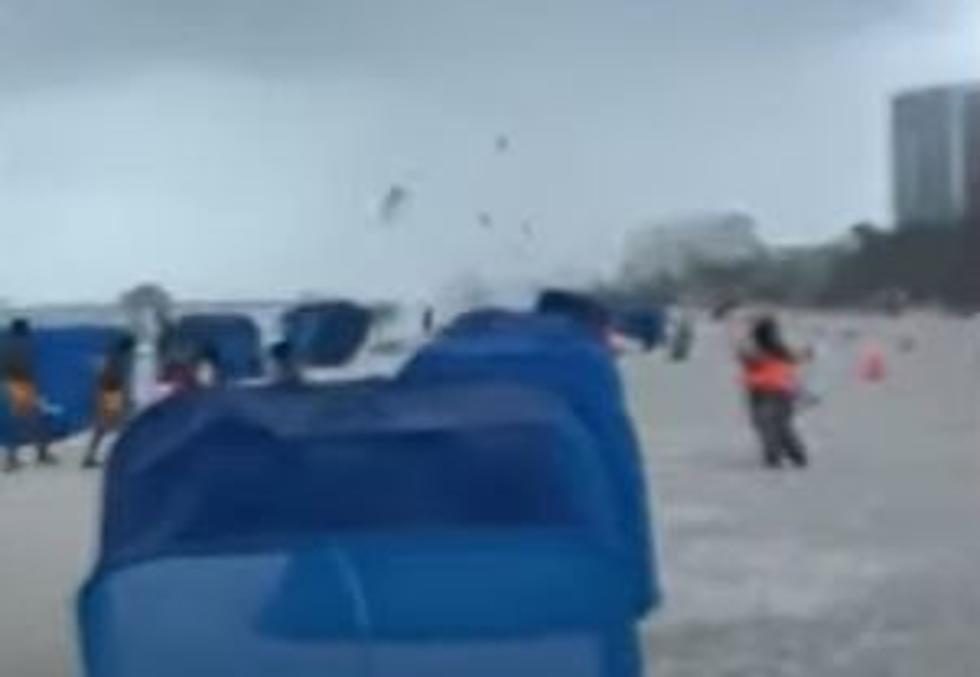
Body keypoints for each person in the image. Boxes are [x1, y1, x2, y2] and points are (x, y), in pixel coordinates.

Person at [737, 315, 808, 469]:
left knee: (770, 425)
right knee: (776, 425)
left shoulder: (767, 351)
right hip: (768, 392)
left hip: (771, 392)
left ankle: (779, 455)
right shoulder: (765, 350)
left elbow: (747, 358)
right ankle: (792, 454)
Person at [2, 319, 56, 471]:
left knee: (30, 419)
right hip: (22, 385)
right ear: (23, 330)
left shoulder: (7, 343)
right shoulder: (23, 343)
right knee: (28, 419)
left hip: (13, 385)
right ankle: (13, 459)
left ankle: (39, 453)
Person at [82, 336, 136, 469]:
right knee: (117, 426)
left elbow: (104, 377)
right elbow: (120, 379)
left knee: (105, 427)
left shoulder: (113, 356)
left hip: (107, 392)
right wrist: (127, 398)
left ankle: (91, 456)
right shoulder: (122, 358)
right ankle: (120, 457)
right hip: (112, 393)